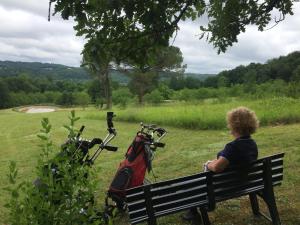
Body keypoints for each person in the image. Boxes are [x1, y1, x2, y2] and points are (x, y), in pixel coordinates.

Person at [182, 106, 259, 221]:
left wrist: (208, 164)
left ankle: (192, 213)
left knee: (191, 185)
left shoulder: (232, 147)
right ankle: (191, 211)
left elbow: (217, 168)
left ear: (234, 126)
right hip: (244, 181)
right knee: (198, 182)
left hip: (224, 186)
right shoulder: (252, 144)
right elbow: (230, 162)